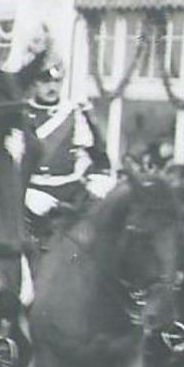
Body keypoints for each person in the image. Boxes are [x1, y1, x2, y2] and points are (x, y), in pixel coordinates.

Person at [23, 59, 112, 238]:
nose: (52, 87)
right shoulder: (22, 114)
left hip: (70, 194)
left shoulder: (74, 113)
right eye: (46, 81)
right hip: (30, 194)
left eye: (57, 82)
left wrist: (97, 182)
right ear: (35, 83)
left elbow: (99, 157)